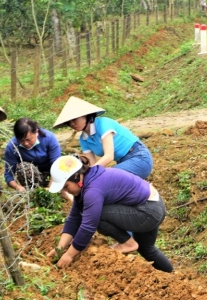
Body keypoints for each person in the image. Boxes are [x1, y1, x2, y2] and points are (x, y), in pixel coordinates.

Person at [54, 96, 153, 253]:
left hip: (139, 157)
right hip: (123, 161)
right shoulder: (84, 140)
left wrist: (88, 181)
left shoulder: (103, 124)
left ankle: (128, 243)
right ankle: (128, 239)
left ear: (86, 115)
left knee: (105, 186)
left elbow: (108, 157)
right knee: (103, 191)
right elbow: (92, 168)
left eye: (75, 119)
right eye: (69, 122)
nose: (72, 124)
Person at [47, 155, 174, 273]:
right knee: (147, 249)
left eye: (66, 186)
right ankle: (173, 276)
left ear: (76, 177)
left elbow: (88, 226)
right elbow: (74, 218)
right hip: (153, 206)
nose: (66, 191)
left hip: (147, 212)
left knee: (96, 215)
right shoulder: (89, 180)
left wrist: (70, 255)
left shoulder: (92, 190)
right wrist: (60, 248)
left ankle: (128, 243)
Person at [3, 117, 62, 192]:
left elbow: (56, 165)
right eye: (21, 140)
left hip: (52, 174)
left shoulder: (49, 138)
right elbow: (9, 174)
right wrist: (17, 187)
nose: (25, 143)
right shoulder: (12, 147)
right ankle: (34, 191)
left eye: (28, 139)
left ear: (36, 132)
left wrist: (51, 189)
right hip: (33, 177)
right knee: (23, 167)